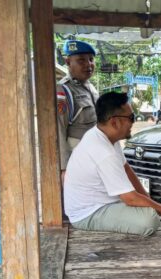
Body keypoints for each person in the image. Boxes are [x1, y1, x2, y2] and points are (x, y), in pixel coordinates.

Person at [64, 92, 161, 236]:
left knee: (149, 208)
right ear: (114, 122)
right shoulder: (103, 151)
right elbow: (129, 198)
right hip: (88, 213)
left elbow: (126, 169)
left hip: (103, 203)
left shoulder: (105, 136)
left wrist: (149, 200)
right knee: (149, 220)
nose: (134, 122)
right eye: (131, 118)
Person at [57, 40, 99, 178]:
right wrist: (64, 168)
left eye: (91, 59)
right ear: (68, 62)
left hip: (95, 158)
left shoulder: (90, 88)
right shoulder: (63, 90)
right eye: (81, 60)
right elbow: (59, 130)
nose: (88, 64)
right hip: (77, 161)